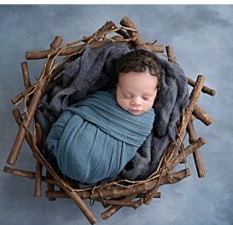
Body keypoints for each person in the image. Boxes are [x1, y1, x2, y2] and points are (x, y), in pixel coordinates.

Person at [45, 49, 160, 186]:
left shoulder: (147, 120)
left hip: (103, 168)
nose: (137, 102)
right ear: (117, 88)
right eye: (127, 95)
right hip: (69, 149)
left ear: (156, 92)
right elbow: (78, 111)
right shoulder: (102, 98)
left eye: (146, 97)